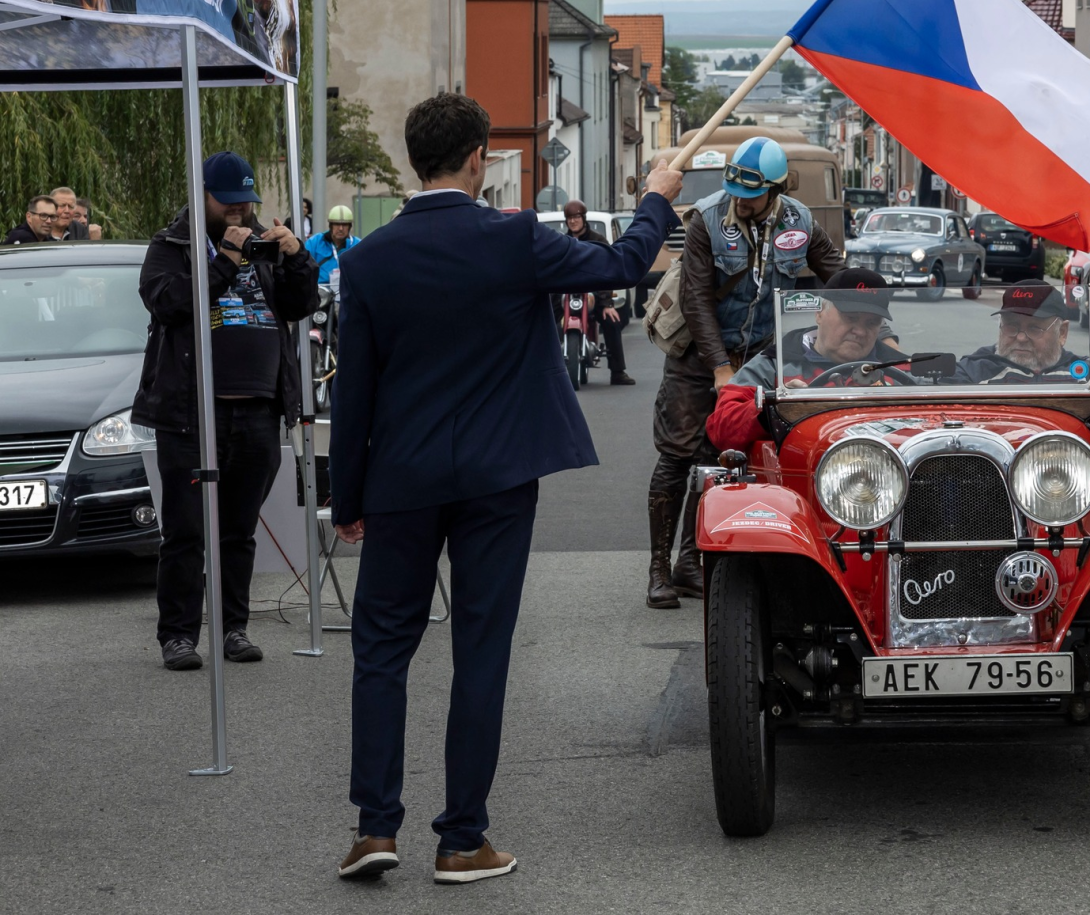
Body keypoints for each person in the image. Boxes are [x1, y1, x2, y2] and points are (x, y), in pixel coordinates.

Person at [329, 93, 680, 885]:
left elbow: (354, 395)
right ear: (478, 157)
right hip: (496, 478)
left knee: (381, 653)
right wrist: (657, 195)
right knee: (479, 651)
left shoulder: (367, 260)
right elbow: (626, 264)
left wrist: (347, 499)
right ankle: (461, 839)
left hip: (402, 480)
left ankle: (373, 828)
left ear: (414, 160)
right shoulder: (515, 238)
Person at [132, 151, 318, 670]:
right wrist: (225, 261)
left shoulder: (261, 242)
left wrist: (297, 254)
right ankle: (179, 636)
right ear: (204, 197)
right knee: (187, 530)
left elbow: (300, 304)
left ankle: (234, 629)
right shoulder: (171, 246)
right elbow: (169, 304)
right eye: (229, 203)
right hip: (192, 416)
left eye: (246, 203)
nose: (240, 213)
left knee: (239, 531)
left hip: (257, 411)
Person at [646, 135, 843, 609]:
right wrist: (718, 368)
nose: (741, 200)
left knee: (724, 455)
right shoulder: (706, 220)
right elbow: (695, 298)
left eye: (751, 194)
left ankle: (692, 564)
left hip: (757, 357)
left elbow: (836, 274)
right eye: (735, 190)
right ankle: (657, 569)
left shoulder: (799, 221)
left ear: (774, 191)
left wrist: (873, 316)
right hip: (698, 355)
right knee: (677, 454)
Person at [952, 280, 1090, 464]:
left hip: (1071, 493)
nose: (1021, 337)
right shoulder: (975, 369)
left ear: (1062, 333)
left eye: (1034, 328)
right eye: (1011, 326)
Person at [707, 268, 905, 451]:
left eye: (872, 322)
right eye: (851, 318)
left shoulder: (905, 371)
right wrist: (775, 410)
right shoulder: (773, 365)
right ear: (819, 313)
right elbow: (720, 429)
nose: (860, 331)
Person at [561, 199, 633, 385]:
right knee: (547, 322)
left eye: (576, 217)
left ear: (583, 218)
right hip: (567, 295)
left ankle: (618, 372)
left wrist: (607, 303)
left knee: (612, 321)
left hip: (594, 295)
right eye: (570, 217)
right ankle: (551, 372)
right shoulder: (562, 242)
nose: (573, 221)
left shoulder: (598, 241)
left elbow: (606, 271)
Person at [305, 204, 361, 285]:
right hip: (320, 291)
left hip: (349, 290)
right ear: (330, 225)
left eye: (345, 225)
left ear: (350, 227)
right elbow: (303, 268)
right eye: (337, 224)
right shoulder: (314, 242)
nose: (341, 228)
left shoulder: (358, 245)